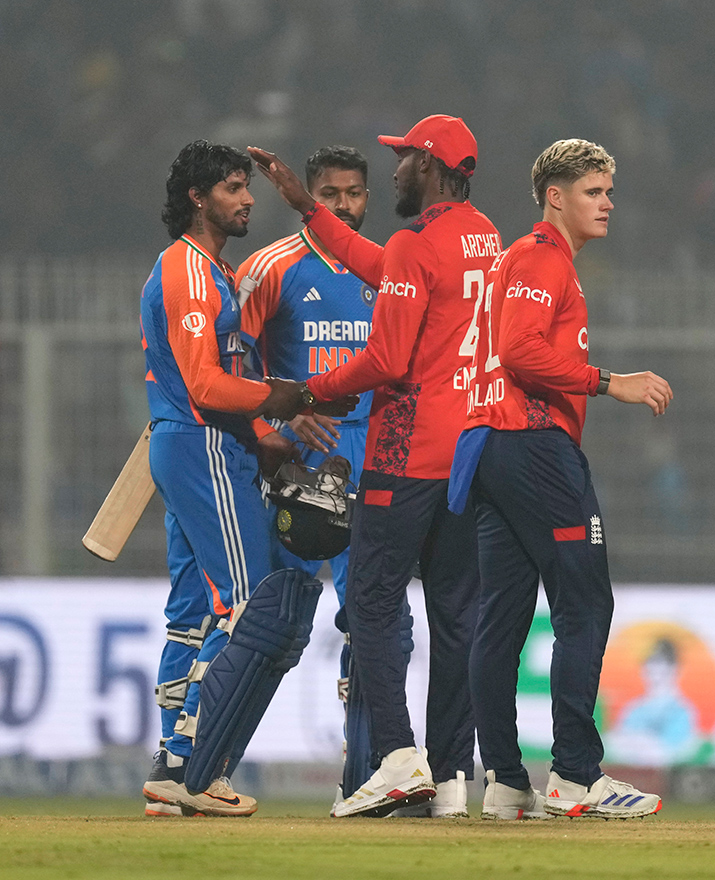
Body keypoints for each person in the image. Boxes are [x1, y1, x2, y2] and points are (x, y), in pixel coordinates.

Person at [248, 114, 500, 818]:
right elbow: (379, 263)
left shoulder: (417, 240)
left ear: (432, 166)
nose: (394, 171)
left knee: (371, 601)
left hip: (406, 448)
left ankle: (396, 757)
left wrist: (307, 392)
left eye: (404, 159)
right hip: (469, 450)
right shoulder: (482, 236)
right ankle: (452, 776)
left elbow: (387, 361)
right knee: (456, 614)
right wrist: (305, 209)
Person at [450, 138, 673, 819]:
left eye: (608, 191)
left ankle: (507, 780)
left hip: (489, 448)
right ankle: (576, 775)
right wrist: (610, 382)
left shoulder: (525, 260)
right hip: (531, 443)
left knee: (504, 619)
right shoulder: (543, 258)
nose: (608, 203)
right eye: (594, 191)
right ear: (555, 195)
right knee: (585, 604)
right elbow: (520, 351)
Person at [139, 140, 353, 816]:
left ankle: (173, 761)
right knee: (246, 604)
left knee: (191, 614)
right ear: (199, 198)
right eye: (234, 187)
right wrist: (279, 398)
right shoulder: (191, 274)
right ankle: (200, 767)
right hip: (201, 446)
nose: (248, 198)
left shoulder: (206, 271)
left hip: (192, 442)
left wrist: (262, 433)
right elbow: (205, 383)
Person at [235, 145, 378, 807]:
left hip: (369, 464)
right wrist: (274, 427)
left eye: (352, 193)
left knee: (367, 619)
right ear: (309, 195)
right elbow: (230, 363)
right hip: (292, 462)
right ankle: (207, 764)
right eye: (329, 192)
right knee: (266, 620)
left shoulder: (387, 273)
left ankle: (366, 775)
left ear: (366, 198)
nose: (341, 204)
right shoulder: (270, 268)